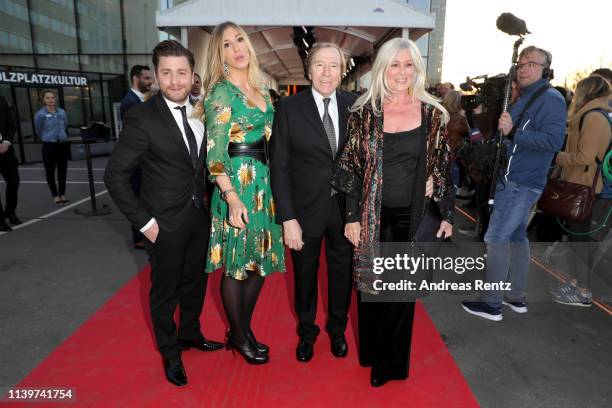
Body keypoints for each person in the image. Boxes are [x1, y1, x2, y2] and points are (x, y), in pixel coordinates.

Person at [330, 37, 454, 387]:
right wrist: (351, 217)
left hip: (411, 219)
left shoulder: (433, 115)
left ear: (417, 69)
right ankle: (371, 351)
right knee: (371, 292)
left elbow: (444, 165)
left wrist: (440, 198)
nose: (402, 72)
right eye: (395, 64)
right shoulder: (364, 112)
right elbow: (350, 168)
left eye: (409, 65)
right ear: (383, 68)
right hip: (372, 215)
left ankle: (391, 363)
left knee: (400, 295)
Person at [104, 40, 223, 387]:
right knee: (164, 292)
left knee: (195, 284)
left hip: (198, 217)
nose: (175, 81)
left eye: (181, 73)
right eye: (167, 73)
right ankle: (170, 353)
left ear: (192, 75)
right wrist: (144, 222)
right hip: (162, 224)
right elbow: (115, 175)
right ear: (156, 75)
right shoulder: (141, 117)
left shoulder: (203, 112)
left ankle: (190, 333)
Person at [461, 46, 567, 321]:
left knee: (495, 238)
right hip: (516, 177)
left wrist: (514, 132)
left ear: (546, 70)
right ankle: (515, 297)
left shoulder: (551, 99)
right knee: (518, 238)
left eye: (532, 64)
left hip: (520, 181)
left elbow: (554, 142)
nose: (524, 68)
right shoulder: (529, 96)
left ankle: (492, 303)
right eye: (521, 63)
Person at [202, 22, 285, 365]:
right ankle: (239, 335)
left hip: (263, 184)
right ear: (218, 55)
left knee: (257, 262)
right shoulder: (220, 93)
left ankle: (242, 329)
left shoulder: (261, 88)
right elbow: (214, 153)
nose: (236, 48)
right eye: (226, 45)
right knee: (237, 266)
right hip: (236, 183)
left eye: (239, 40)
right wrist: (232, 197)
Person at [271, 42, 356, 363]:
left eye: (333, 65)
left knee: (341, 275)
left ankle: (337, 330)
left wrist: (357, 213)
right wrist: (287, 218)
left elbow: (362, 164)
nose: (326, 72)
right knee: (305, 277)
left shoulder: (356, 105)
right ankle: (307, 333)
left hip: (345, 211)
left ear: (342, 70)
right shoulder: (290, 108)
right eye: (319, 65)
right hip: (304, 213)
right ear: (308, 70)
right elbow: (279, 167)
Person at [551, 76, 611, 306]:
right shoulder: (592, 114)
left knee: (580, 240)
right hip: (581, 184)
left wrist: (559, 156)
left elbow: (586, 157)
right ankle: (577, 284)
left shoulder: (593, 117)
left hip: (585, 187)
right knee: (576, 238)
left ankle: (583, 291)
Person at [120, 64, 153, 249]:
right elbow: (135, 136)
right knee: (137, 200)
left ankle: (141, 236)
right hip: (137, 163)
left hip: (142, 163)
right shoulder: (130, 102)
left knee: (143, 200)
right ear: (136, 79)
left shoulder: (138, 100)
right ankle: (138, 238)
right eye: (147, 78)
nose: (150, 82)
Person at [34, 90, 70, 205]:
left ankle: (62, 194)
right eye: (48, 98)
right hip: (49, 146)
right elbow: (39, 131)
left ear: (55, 99)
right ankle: (55, 195)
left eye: (53, 97)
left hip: (62, 145)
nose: (51, 100)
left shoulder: (62, 112)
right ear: (43, 100)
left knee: (62, 171)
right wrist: (48, 138)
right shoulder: (40, 115)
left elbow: (65, 126)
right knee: (50, 172)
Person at [0, 95, 21, 231]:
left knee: (14, 180)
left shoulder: (1, 100)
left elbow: (12, 124)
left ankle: (10, 212)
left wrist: (6, 142)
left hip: (6, 149)